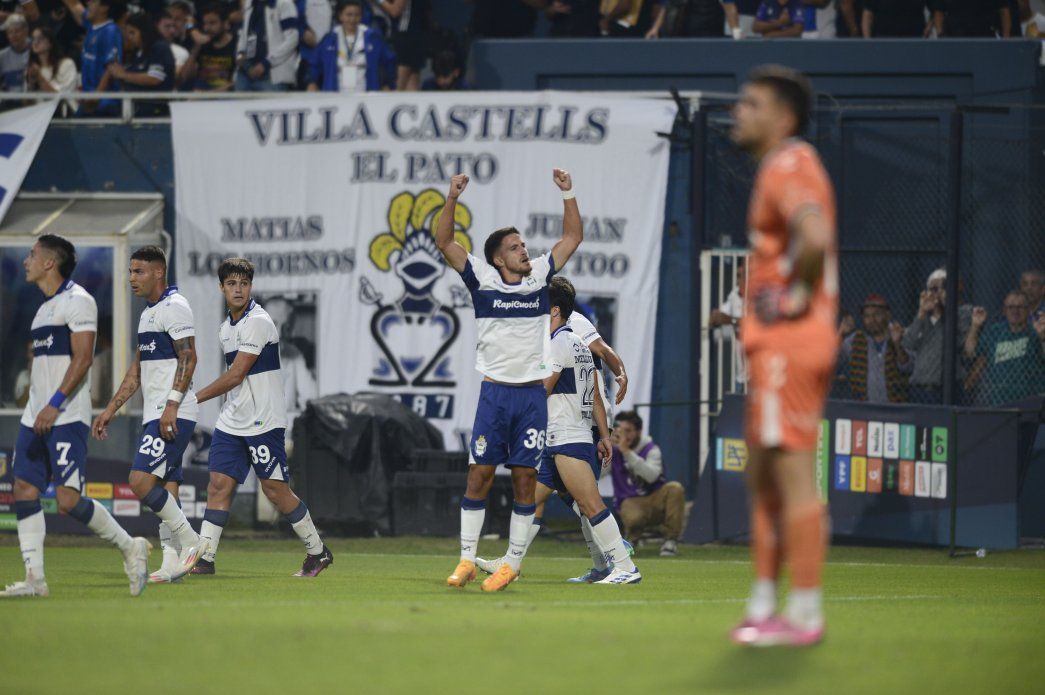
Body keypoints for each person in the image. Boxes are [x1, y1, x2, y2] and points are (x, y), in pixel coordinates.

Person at [729, 65, 839, 647]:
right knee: (765, 479)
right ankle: (767, 605)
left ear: (784, 117)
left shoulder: (789, 164)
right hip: (780, 345)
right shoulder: (781, 166)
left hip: (789, 344)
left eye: (751, 103)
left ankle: (803, 614)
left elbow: (814, 235)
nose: (738, 111)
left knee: (791, 477)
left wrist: (794, 295)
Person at [436, 168, 583, 592]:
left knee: (523, 481)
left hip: (531, 398)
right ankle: (465, 560)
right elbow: (445, 242)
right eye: (515, 247)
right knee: (479, 476)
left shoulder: (539, 276)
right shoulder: (481, 278)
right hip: (494, 395)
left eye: (524, 245)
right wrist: (451, 197)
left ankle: (511, 563)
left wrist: (567, 192)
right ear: (498, 258)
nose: (524, 251)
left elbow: (572, 238)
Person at [2, 234, 151, 598]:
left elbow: (83, 359)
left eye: (33, 255)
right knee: (23, 488)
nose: (27, 261)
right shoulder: (42, 310)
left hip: (65, 414)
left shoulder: (79, 301)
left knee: (68, 500)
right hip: (35, 416)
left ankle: (131, 546)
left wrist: (54, 403)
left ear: (50, 263)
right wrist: (37, 405)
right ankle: (35, 579)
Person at [475, 277, 640, 584]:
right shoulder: (576, 343)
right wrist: (604, 435)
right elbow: (593, 390)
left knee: (590, 505)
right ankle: (511, 562)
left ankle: (624, 566)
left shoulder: (558, 344)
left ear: (552, 311)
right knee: (529, 499)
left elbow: (540, 393)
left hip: (567, 437)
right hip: (561, 437)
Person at [191, 258, 333, 577]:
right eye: (231, 284)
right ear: (222, 288)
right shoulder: (226, 328)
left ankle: (318, 551)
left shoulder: (258, 321)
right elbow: (235, 379)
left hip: (263, 421)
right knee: (218, 484)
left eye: (243, 283)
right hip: (232, 419)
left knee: (275, 490)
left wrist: (193, 398)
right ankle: (205, 558)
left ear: (250, 287)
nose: (238, 289)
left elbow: (237, 374)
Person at [91, 246, 204, 584]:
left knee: (140, 482)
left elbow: (189, 357)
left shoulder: (176, 307)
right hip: (157, 412)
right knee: (166, 485)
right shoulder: (147, 314)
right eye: (130, 272)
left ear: (158, 272)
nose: (131, 279)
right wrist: (110, 409)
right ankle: (172, 561)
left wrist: (171, 404)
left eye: (138, 271)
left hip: (174, 411)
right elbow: (137, 371)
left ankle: (192, 542)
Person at [609, 410, 685, 556]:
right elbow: (598, 474)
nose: (624, 436)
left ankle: (671, 541)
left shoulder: (651, 449)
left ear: (638, 432)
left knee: (675, 488)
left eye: (628, 431)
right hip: (629, 501)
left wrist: (626, 452)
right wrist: (604, 451)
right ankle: (632, 538)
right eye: (620, 431)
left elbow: (651, 476)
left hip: (654, 498)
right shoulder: (613, 449)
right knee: (633, 513)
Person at [902, 268, 972, 405]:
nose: (937, 293)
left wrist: (945, 306)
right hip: (920, 391)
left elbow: (958, 342)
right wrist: (921, 312)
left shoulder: (963, 312)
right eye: (933, 289)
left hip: (949, 391)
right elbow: (908, 343)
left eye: (942, 288)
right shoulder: (923, 319)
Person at [963, 290, 1045, 407]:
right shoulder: (995, 331)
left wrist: (1043, 338)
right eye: (1010, 307)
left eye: (1020, 307)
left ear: (1029, 310)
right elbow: (970, 351)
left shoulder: (1036, 331)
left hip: (1030, 403)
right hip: (999, 402)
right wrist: (975, 326)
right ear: (1004, 310)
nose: (1015, 311)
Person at [306, 0, 395, 93]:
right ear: (340, 16)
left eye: (357, 15)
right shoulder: (329, 40)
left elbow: (388, 62)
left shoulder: (373, 38)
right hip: (335, 95)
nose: (352, 19)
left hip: (366, 95)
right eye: (349, 15)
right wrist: (312, 82)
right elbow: (314, 64)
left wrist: (387, 84)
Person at [837, 294, 912, 403]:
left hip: (895, 409)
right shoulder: (856, 339)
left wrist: (897, 344)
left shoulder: (899, 334)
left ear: (887, 315)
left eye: (877, 314)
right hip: (863, 407)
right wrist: (841, 334)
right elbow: (833, 359)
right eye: (867, 316)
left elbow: (908, 367)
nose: (872, 320)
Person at [97, 13, 174, 117]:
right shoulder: (137, 53)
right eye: (127, 33)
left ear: (144, 31)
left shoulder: (159, 48)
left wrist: (123, 75)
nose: (129, 37)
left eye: (133, 33)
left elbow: (155, 78)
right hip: (132, 109)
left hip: (153, 112)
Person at [60, 0, 126, 116]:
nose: (87, 3)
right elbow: (74, 5)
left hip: (104, 102)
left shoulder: (110, 31)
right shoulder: (92, 26)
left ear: (104, 8)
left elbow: (111, 68)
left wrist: (95, 97)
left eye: (93, 1)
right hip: (90, 98)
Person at [235, 0, 299, 92]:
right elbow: (244, 35)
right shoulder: (249, 4)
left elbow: (292, 39)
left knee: (271, 106)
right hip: (245, 73)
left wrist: (266, 63)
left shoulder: (284, 3)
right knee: (239, 106)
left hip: (271, 74)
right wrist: (240, 54)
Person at [709, 259, 748, 393]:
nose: (739, 280)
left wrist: (730, 320)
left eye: (742, 275)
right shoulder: (734, 294)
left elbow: (754, 324)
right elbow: (720, 316)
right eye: (737, 275)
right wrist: (715, 318)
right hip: (741, 377)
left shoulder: (760, 295)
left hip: (760, 374)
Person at [181, 4, 236, 91]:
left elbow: (236, 83)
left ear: (225, 24)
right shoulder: (202, 44)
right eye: (205, 23)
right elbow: (184, 77)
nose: (207, 28)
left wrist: (209, 95)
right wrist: (196, 48)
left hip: (225, 98)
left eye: (212, 23)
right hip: (199, 95)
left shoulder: (236, 45)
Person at [25, 26, 78, 116]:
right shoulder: (32, 69)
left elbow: (58, 97)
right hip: (38, 118)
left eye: (40, 38)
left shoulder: (66, 64)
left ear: (50, 43)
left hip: (63, 116)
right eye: (33, 39)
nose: (35, 42)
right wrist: (31, 85)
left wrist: (40, 78)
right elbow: (26, 105)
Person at [933, 0, 1010, 36]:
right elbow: (939, 12)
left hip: (984, 37)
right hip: (954, 37)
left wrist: (1006, 38)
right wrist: (940, 34)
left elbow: (1004, 11)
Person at [861, 0, 930, 36]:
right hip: (883, 42)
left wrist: (928, 28)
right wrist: (868, 43)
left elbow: (936, 10)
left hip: (914, 42)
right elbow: (867, 16)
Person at [0, 14, 29, 94]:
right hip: (9, 102)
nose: (14, 35)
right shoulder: (2, 57)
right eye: (10, 32)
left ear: (25, 31)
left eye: (17, 31)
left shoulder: (35, 50)